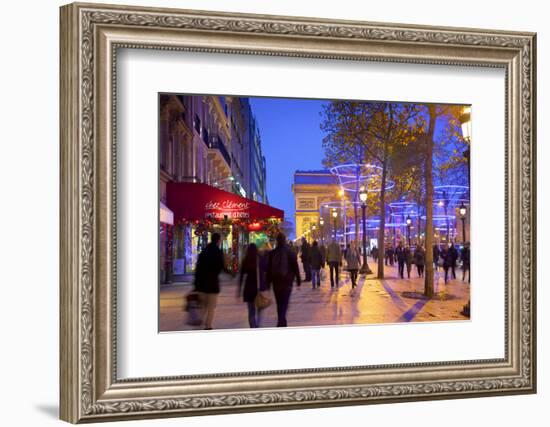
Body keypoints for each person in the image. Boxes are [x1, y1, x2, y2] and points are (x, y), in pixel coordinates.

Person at [267, 233, 301, 327]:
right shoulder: (291, 253)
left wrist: (268, 282)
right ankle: (281, 321)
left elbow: (269, 269)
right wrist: (298, 279)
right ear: (285, 240)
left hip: (276, 282)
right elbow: (295, 267)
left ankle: (281, 320)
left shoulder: (272, 253)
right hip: (287, 282)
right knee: (285, 303)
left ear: (277, 241)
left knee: (279, 303)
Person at [193, 233, 224, 330]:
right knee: (211, 308)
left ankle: (199, 324)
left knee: (202, 306)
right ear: (218, 240)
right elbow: (220, 268)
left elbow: (198, 269)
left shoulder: (204, 251)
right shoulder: (218, 252)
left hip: (202, 285)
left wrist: (196, 284)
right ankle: (208, 326)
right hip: (213, 285)